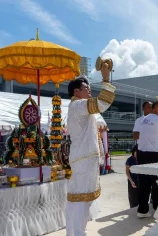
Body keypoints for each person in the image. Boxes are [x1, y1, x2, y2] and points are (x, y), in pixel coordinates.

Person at [66, 62, 115, 236]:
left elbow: (98, 116)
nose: (89, 91)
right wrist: (106, 78)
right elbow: (103, 101)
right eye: (86, 88)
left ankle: (72, 233)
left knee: (75, 197)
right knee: (83, 199)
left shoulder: (77, 108)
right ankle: (79, 233)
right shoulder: (79, 105)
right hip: (85, 158)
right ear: (76, 92)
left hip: (81, 157)